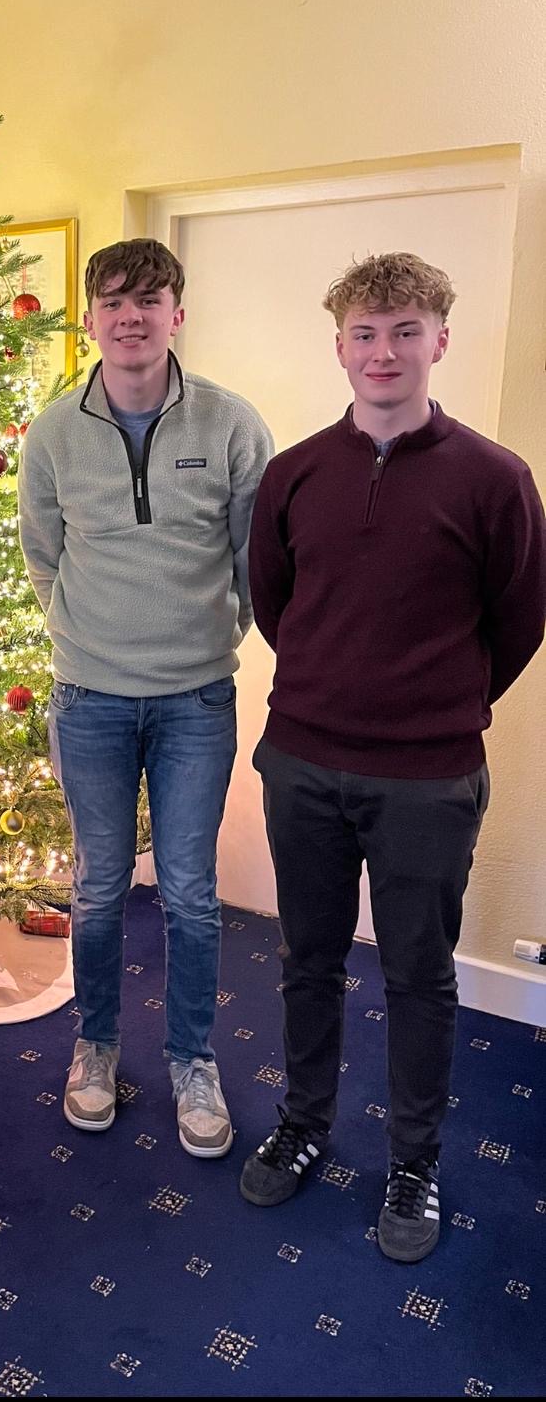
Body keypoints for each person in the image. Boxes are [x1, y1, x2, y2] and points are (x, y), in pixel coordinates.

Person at [240, 252, 546, 1262]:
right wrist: (339, 688)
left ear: (439, 341)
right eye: (366, 333)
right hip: (305, 761)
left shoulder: (497, 478)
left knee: (420, 976)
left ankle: (414, 1161)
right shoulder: (294, 473)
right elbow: (278, 607)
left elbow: (517, 622)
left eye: (405, 331)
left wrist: (436, 702)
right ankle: (305, 1123)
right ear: (340, 346)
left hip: (430, 776)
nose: (384, 351)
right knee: (309, 964)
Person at [18, 238, 273, 1156]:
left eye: (149, 297)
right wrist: (94, 638)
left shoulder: (232, 424)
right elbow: (44, 557)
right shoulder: (52, 431)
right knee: (94, 886)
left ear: (178, 310)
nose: (130, 315)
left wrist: (209, 636)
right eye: (112, 300)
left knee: (192, 893)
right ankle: (92, 1048)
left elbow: (257, 559)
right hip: (88, 696)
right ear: (90, 316)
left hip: (195, 701)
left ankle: (192, 1062)